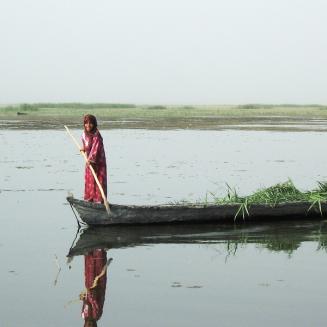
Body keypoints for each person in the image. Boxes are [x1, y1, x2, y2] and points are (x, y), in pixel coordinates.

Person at [81, 114, 107, 203]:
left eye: (90, 123)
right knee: (90, 180)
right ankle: (90, 200)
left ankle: (100, 202)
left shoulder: (97, 135)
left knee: (99, 181)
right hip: (89, 162)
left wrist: (91, 159)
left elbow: (96, 148)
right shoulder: (84, 134)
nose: (88, 125)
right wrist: (84, 148)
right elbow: (87, 145)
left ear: (94, 124)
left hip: (98, 163)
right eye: (86, 123)